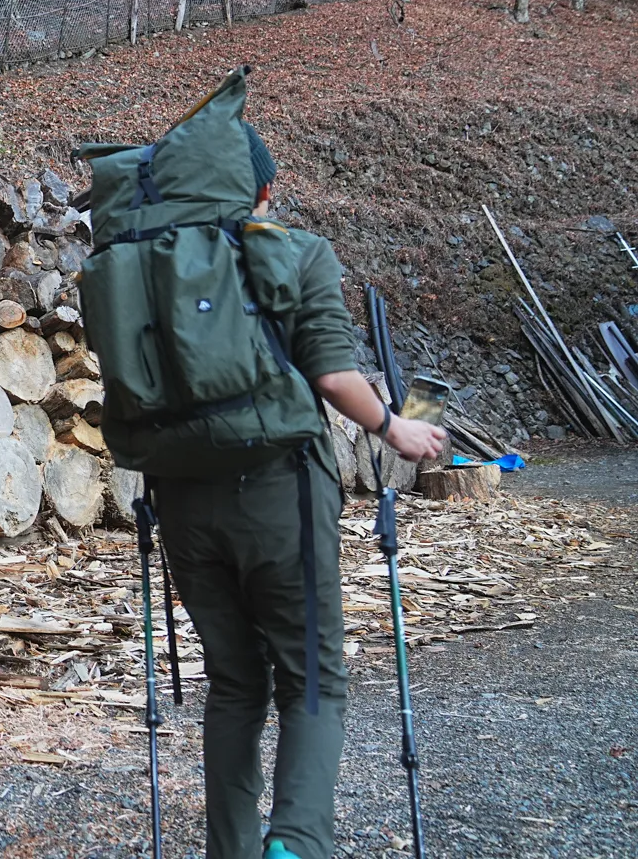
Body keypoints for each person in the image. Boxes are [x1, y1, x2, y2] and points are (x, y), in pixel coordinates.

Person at [149, 124, 448, 859]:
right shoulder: (298, 253)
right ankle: (298, 843)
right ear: (264, 191)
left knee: (234, 681)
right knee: (313, 677)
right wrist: (396, 430)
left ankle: (233, 850)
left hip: (181, 501)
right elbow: (332, 374)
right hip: (281, 497)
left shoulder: (142, 268)